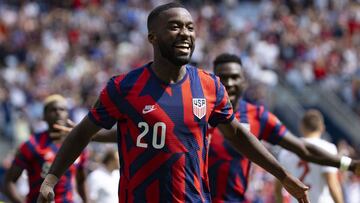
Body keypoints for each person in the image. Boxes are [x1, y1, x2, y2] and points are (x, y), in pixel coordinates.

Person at [37, 3, 310, 203]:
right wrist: (51, 179)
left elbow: (237, 133)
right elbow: (83, 132)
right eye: (175, 26)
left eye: (190, 27)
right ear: (152, 37)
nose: (185, 33)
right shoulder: (123, 87)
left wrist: (283, 175)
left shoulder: (209, 85)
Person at [208, 53, 358, 202]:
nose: (229, 83)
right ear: (212, 81)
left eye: (234, 77)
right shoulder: (199, 111)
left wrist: (349, 165)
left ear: (244, 82)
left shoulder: (258, 116)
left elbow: (302, 148)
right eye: (222, 77)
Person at [3, 94, 89, 203]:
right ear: (44, 116)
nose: (58, 112)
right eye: (53, 109)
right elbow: (9, 182)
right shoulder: (32, 144)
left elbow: (81, 180)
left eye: (62, 109)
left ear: (67, 114)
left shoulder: (78, 145)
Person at [276, 109, 344, 203]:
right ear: (322, 128)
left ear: (301, 127)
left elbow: (277, 189)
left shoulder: (286, 151)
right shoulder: (328, 148)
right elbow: (332, 185)